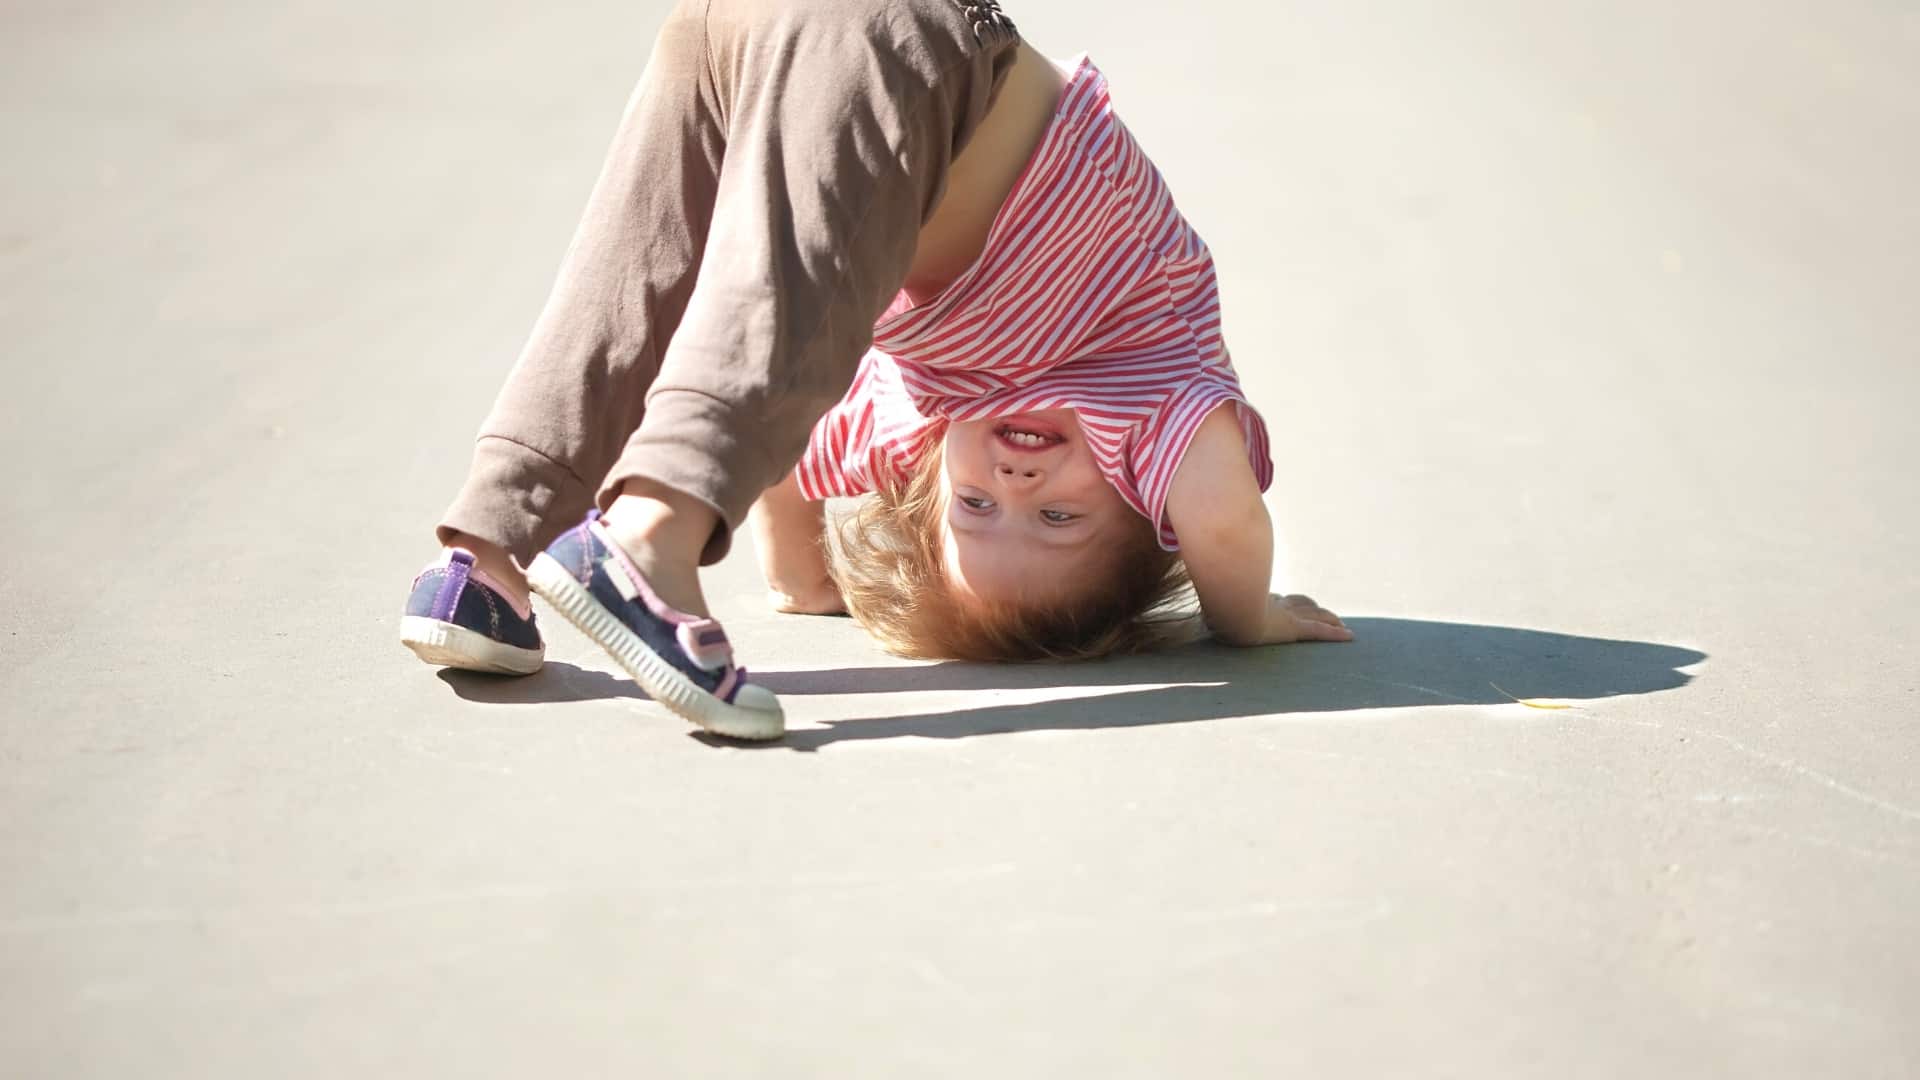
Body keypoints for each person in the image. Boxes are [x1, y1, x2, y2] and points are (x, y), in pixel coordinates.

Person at [400, 0, 1349, 743]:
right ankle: (650, 535)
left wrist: (806, 585)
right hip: (908, 39)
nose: (1014, 484)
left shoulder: (917, 418)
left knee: (631, 281)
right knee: (789, 296)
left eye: (977, 509)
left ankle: (483, 561)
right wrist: (1245, 619)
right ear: (1153, 512)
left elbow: (787, 462)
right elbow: (1222, 517)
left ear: (927, 487)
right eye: (1058, 517)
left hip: (731, 27)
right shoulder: (1150, 388)